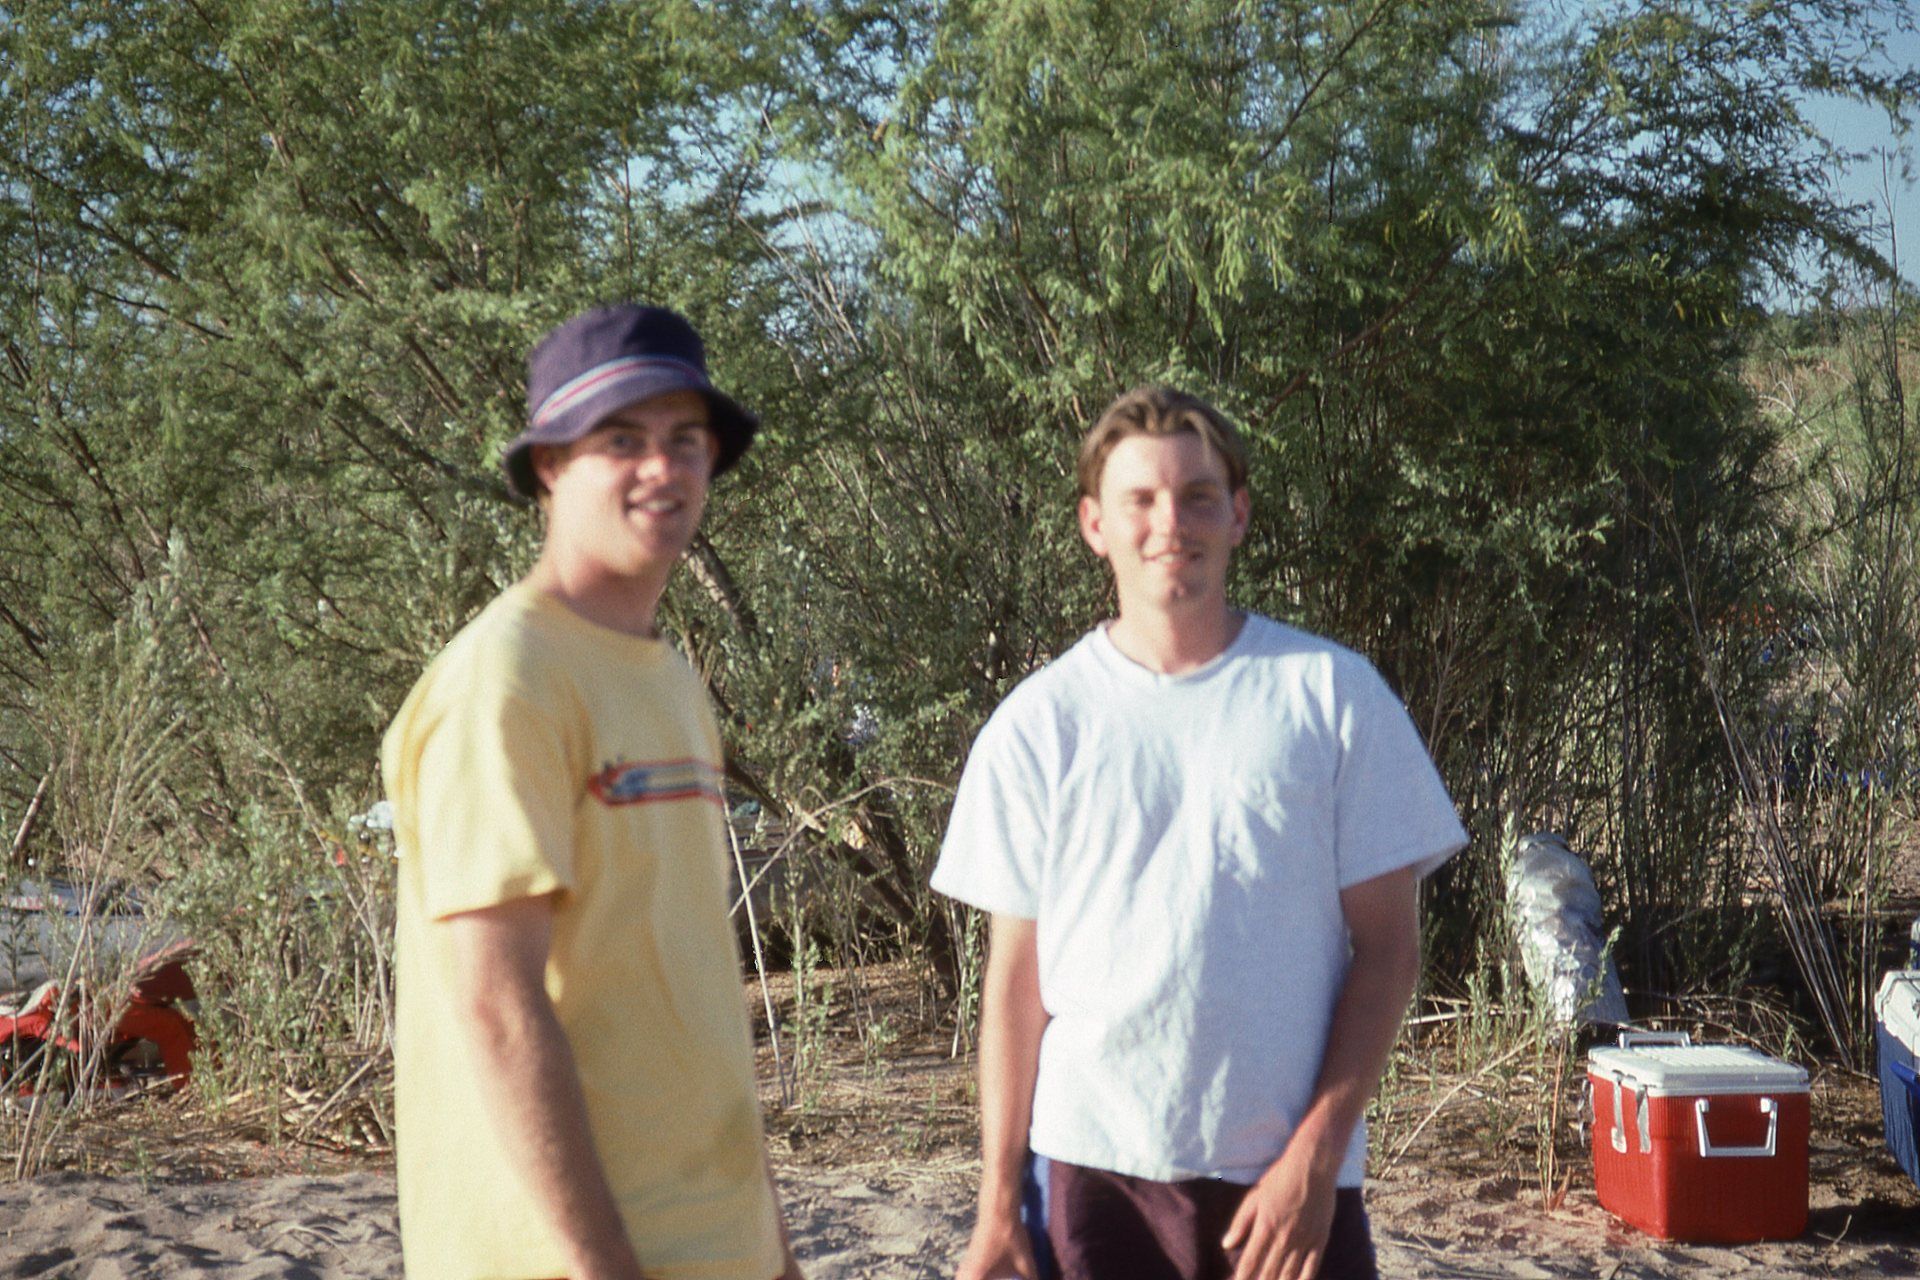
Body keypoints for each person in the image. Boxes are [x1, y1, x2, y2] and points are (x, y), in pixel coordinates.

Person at [932, 386, 1468, 1280]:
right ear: (1094, 524)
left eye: (1198, 496)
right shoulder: (1039, 724)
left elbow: (1388, 952)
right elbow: (1016, 984)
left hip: (1288, 1184)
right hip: (1092, 1175)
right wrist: (996, 1205)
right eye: (1140, 499)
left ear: (1239, 515)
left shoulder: (1332, 696)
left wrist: (1315, 1158)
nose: (1170, 523)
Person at [384, 304, 804, 1280]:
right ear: (549, 465)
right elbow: (496, 1000)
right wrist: (604, 1261)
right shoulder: (506, 680)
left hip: (713, 1244)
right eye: (621, 440)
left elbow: (688, 991)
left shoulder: (669, 679)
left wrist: (773, 1249)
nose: (662, 467)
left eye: (685, 439)